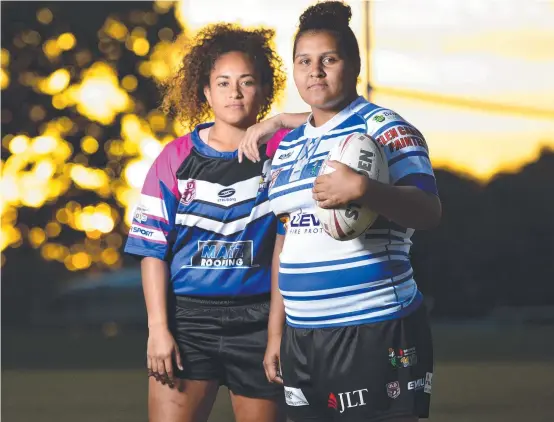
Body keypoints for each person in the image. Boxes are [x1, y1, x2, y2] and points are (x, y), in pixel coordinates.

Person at [261, 2, 442, 421]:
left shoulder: (384, 128)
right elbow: (286, 239)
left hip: (375, 327)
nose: (315, 72)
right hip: (303, 337)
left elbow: (429, 211)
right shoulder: (288, 146)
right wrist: (277, 333)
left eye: (329, 59)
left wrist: (365, 189)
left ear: (354, 65)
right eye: (304, 61)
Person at [124, 23, 306, 422]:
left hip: (260, 321)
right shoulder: (174, 158)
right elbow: (152, 251)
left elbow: (336, 120)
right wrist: (158, 328)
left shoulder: (285, 152)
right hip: (188, 322)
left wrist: (277, 122)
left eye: (247, 82)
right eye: (222, 83)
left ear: (264, 89)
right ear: (205, 92)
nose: (235, 92)